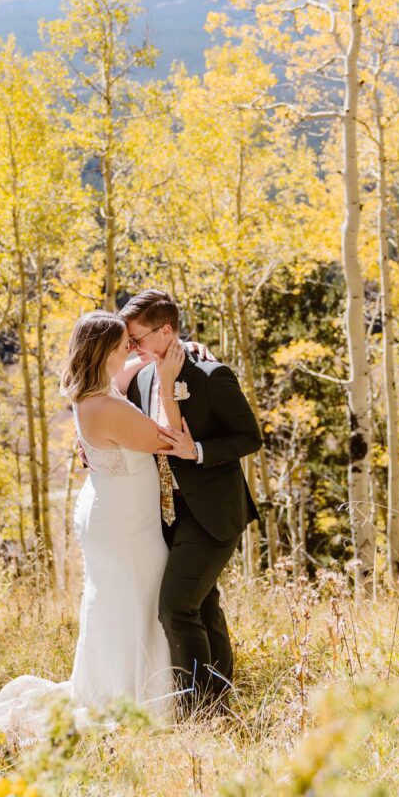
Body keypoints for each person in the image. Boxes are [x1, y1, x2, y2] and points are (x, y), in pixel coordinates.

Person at [0, 311, 196, 740]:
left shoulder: (92, 392)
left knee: (119, 599)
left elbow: (124, 372)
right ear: (103, 352)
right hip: (124, 525)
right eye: (122, 345)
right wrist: (168, 380)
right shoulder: (108, 406)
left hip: (112, 511)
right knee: (139, 596)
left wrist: (151, 357)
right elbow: (170, 439)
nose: (130, 350)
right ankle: (131, 698)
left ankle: (113, 688)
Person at [120, 289, 263, 718]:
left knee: (176, 608)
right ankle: (221, 699)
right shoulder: (142, 376)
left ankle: (199, 711)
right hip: (166, 516)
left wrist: (196, 450)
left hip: (214, 514)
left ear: (166, 331)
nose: (132, 347)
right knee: (203, 604)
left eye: (137, 338)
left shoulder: (211, 374)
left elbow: (250, 437)